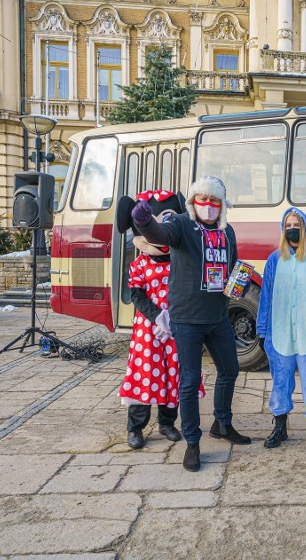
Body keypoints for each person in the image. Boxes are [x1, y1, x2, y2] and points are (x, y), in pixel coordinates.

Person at [131, 176, 251, 473]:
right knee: (188, 381)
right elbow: (159, 234)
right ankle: (193, 443)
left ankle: (222, 423)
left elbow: (232, 264)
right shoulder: (183, 225)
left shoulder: (228, 231)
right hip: (186, 320)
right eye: (203, 199)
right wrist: (145, 222)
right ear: (193, 202)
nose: (208, 206)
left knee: (230, 370)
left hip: (218, 317)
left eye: (214, 201)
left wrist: (238, 283)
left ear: (223, 205)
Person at [115, 190, 204, 449]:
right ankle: (136, 428)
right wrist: (157, 316)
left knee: (174, 374)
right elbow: (137, 295)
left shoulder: (181, 260)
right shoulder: (139, 264)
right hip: (148, 328)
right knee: (145, 374)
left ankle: (167, 423)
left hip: (178, 325)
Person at [256, 208, 306, 451]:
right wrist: (262, 331)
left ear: (304, 228)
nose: (292, 228)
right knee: (280, 382)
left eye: (296, 224)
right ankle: (280, 426)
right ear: (283, 228)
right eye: (288, 224)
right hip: (279, 333)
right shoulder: (274, 259)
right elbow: (265, 298)